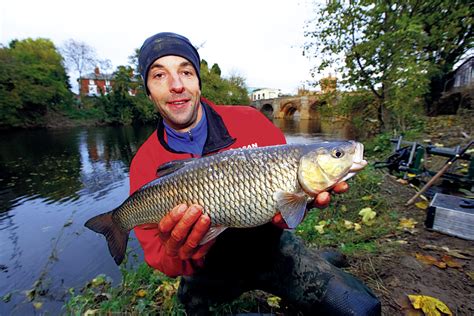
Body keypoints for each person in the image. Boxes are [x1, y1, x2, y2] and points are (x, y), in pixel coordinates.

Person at [130, 32, 381, 315]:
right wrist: (187, 249)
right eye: (159, 75)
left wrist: (303, 203)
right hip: (207, 267)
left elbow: (287, 212)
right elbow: (160, 257)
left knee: (360, 310)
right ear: (148, 90)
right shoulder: (143, 163)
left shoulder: (250, 120)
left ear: (198, 81)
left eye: (186, 72)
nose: (176, 85)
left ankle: (309, 266)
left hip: (271, 248)